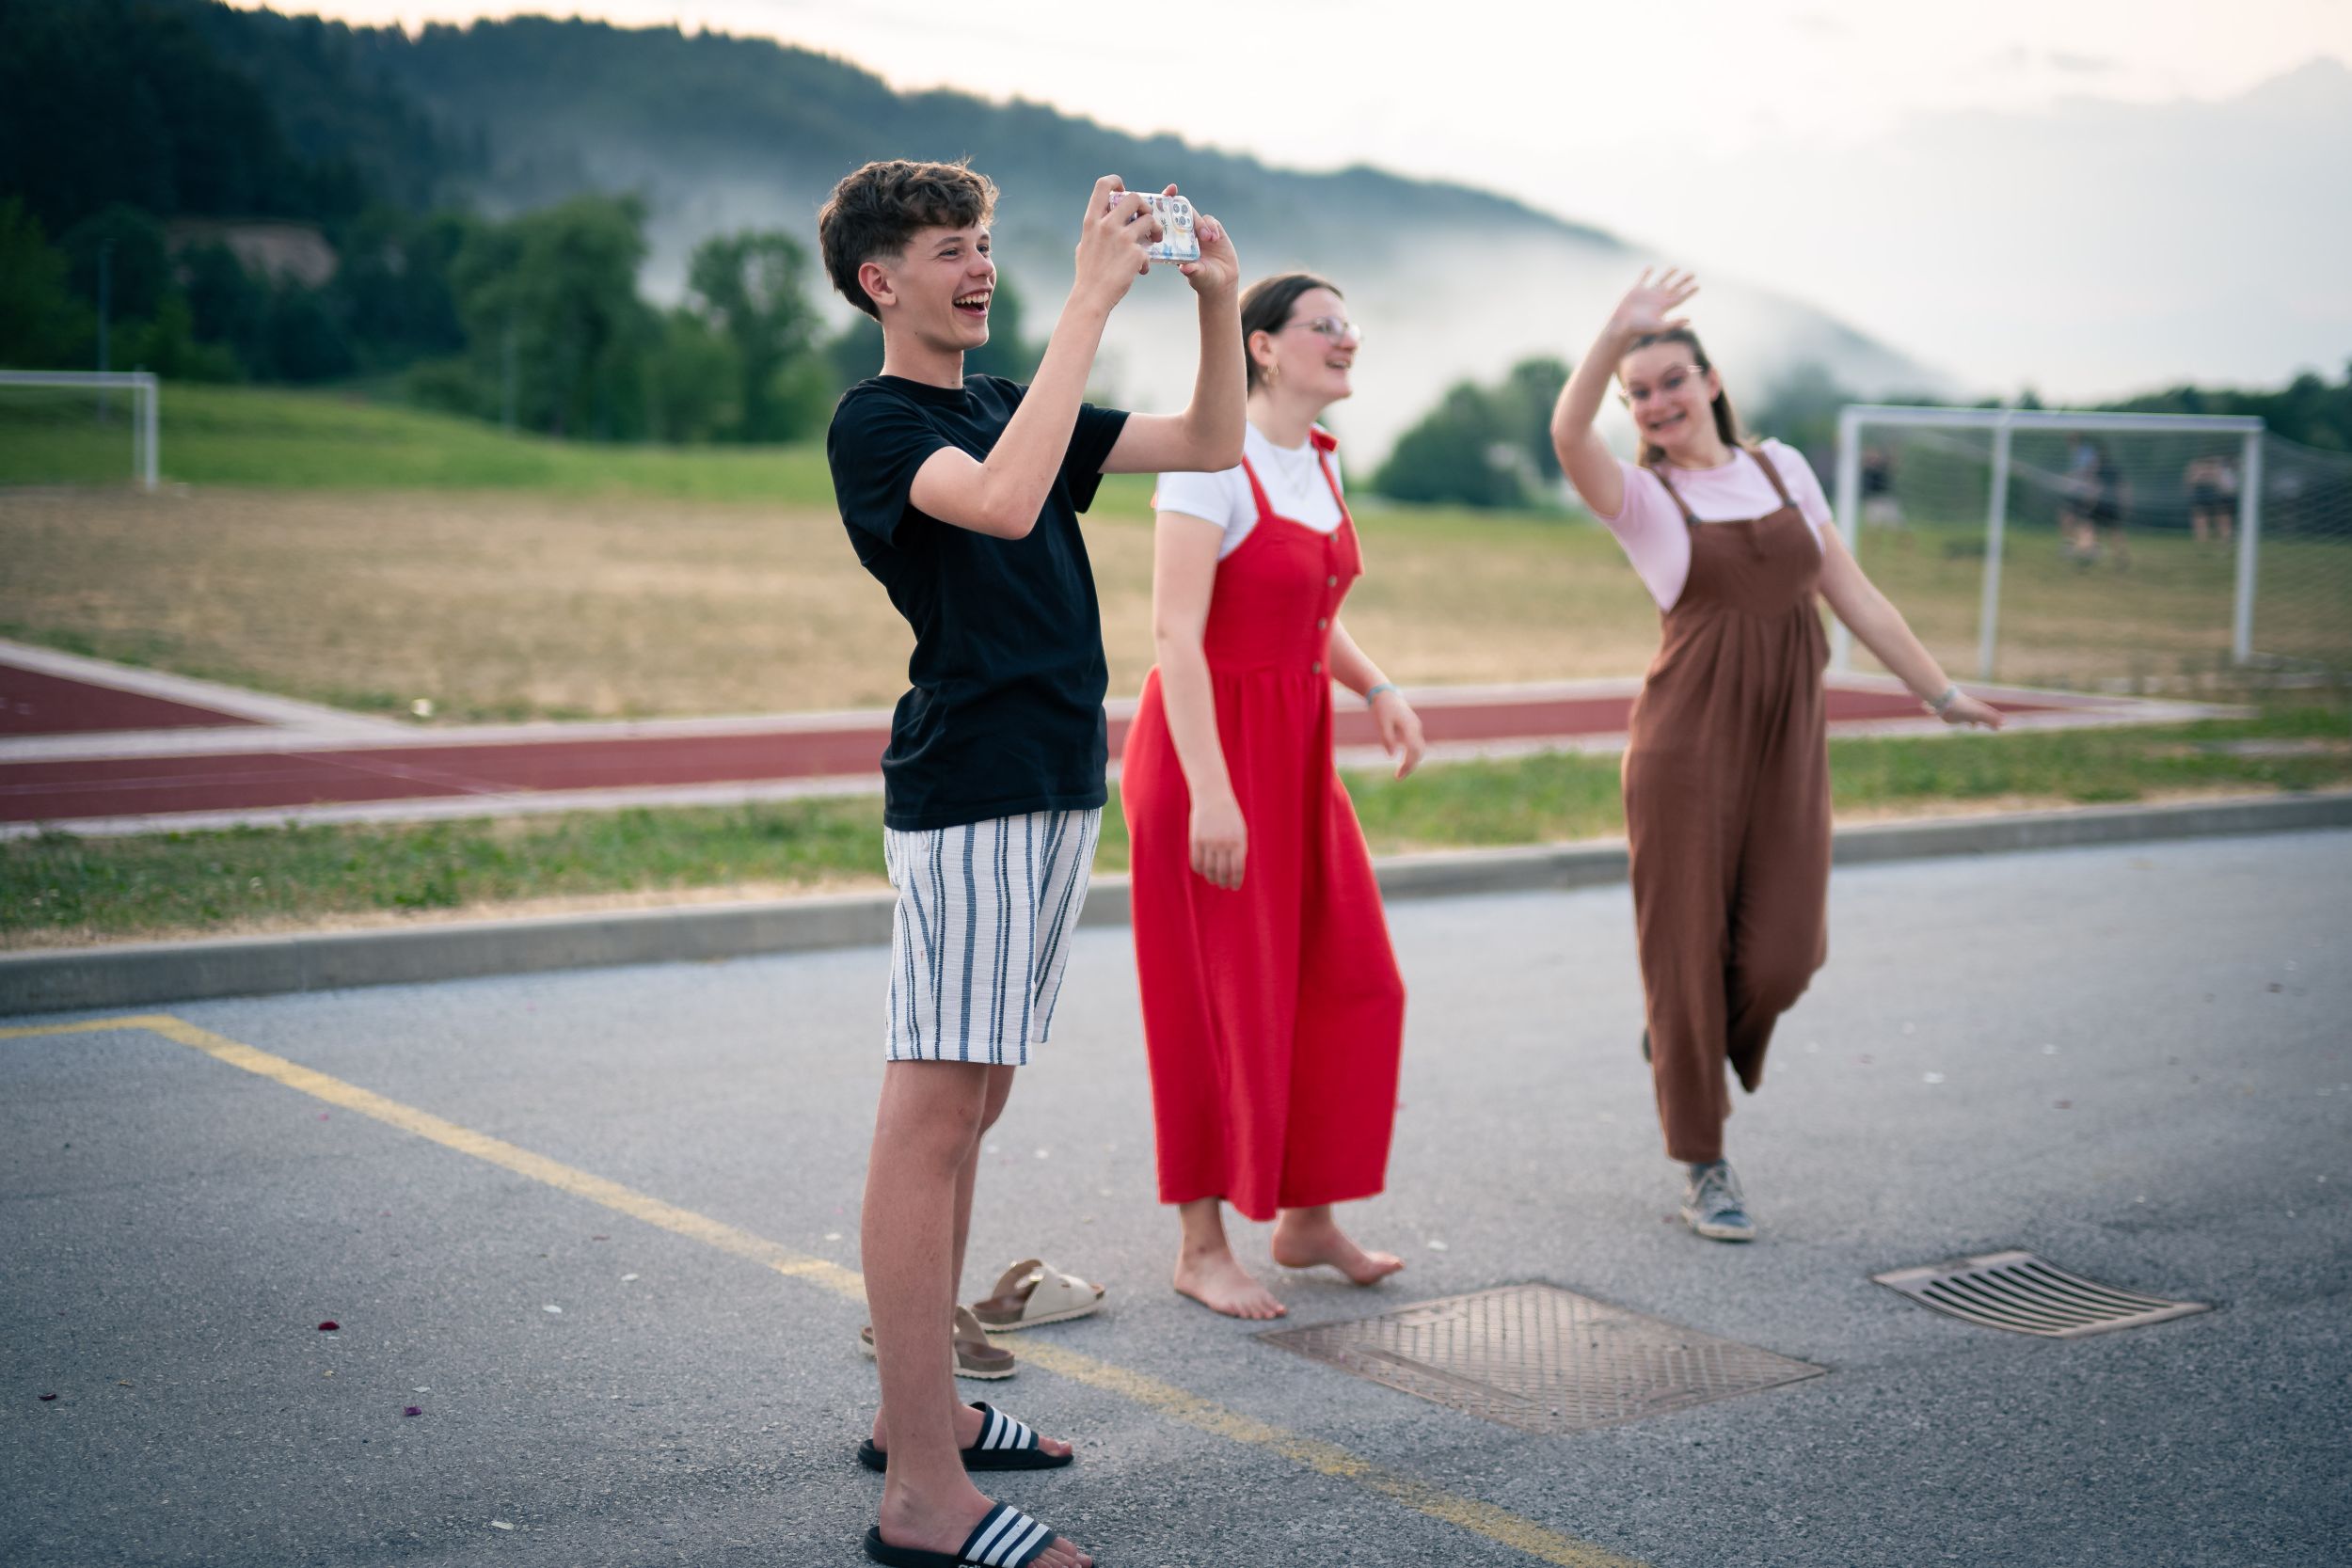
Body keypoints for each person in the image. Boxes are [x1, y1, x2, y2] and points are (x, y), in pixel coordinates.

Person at [819, 158, 1244, 1568]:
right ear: (881, 280)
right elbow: (1003, 505)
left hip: (1052, 779)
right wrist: (1088, 303)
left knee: (976, 1098)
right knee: (931, 1112)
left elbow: (1208, 440)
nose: (981, 266)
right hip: (974, 787)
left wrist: (1216, 299)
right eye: (951, 248)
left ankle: (923, 1409)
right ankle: (921, 1491)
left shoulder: (1013, 398)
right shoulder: (878, 420)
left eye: (987, 242)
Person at [1549, 269, 2004, 1244]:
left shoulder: (1781, 467)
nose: (1658, 402)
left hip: (1787, 734)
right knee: (1684, 951)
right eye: (1639, 392)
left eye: (1674, 380)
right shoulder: (1643, 498)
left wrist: (1940, 692)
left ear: (1711, 381)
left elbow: (1854, 593)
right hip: (1685, 747)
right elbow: (1567, 434)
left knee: (1787, 955)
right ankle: (1703, 1163)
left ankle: (1683, 1036)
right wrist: (1613, 334)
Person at [1120, 273, 1425, 1321]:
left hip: (1295, 754)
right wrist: (1212, 791)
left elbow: (1307, 610)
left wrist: (1376, 687)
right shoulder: (1210, 460)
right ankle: (1200, 1245)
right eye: (1323, 325)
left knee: (1351, 978)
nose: (1347, 339)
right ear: (1261, 345)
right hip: (1207, 754)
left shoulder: (1318, 461)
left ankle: (1306, 1217)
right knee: (1212, 999)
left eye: (1350, 324)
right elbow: (1176, 633)